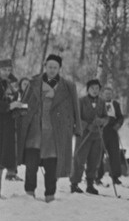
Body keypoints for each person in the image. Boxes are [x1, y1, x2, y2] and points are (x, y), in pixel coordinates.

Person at [18, 54, 82, 202]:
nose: (52, 70)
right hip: (34, 131)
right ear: (45, 66)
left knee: (52, 166)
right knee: (31, 164)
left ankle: (50, 194)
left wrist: (77, 127)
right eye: (49, 66)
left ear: (59, 68)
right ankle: (29, 192)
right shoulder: (34, 83)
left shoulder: (68, 86)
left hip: (55, 133)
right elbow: (24, 103)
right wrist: (20, 121)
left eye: (55, 67)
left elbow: (75, 108)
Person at [70, 79, 108, 195]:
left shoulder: (102, 102)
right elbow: (75, 117)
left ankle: (90, 184)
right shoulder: (81, 101)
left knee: (94, 160)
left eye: (97, 88)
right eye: (92, 88)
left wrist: (100, 121)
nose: (95, 91)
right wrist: (86, 125)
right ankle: (74, 183)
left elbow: (106, 118)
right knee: (79, 160)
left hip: (97, 136)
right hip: (84, 135)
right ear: (88, 89)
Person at [0, 58, 26, 199]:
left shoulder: (11, 84)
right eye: (4, 70)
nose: (7, 72)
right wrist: (10, 106)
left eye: (9, 70)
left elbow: (15, 98)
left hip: (7, 126)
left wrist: (18, 108)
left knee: (2, 159)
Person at [97, 86, 124, 184]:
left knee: (114, 153)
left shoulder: (115, 104)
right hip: (102, 131)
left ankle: (115, 176)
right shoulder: (99, 103)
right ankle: (97, 177)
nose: (108, 95)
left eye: (110, 93)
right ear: (102, 94)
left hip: (112, 130)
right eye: (106, 93)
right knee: (99, 154)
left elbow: (120, 117)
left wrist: (118, 124)